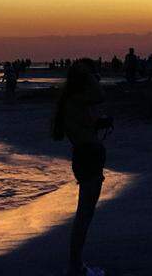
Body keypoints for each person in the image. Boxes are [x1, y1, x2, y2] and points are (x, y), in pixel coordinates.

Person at [52, 59, 111, 276]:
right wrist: (91, 76)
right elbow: (100, 96)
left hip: (87, 155)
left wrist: (98, 124)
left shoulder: (73, 101)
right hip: (88, 156)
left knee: (85, 214)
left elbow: (85, 122)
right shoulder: (76, 99)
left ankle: (76, 265)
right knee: (84, 215)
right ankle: (75, 267)